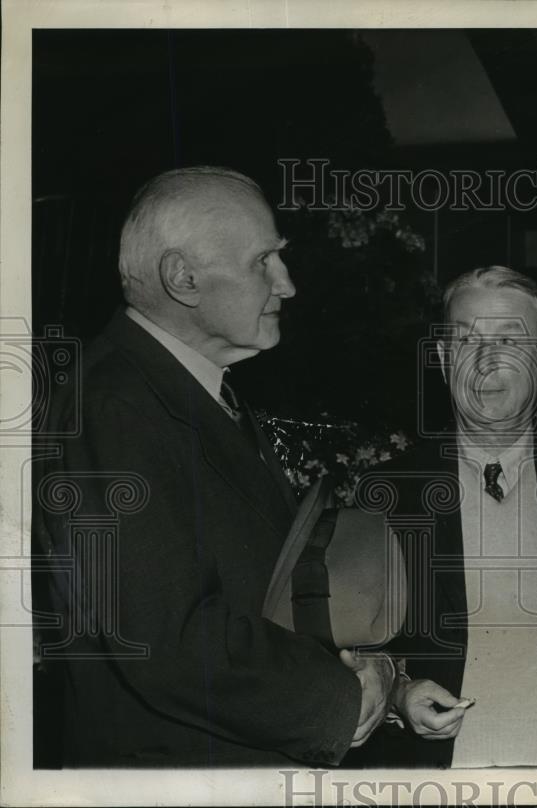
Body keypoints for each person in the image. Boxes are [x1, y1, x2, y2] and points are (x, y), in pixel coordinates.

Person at [33, 166, 393, 767]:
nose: (288, 285)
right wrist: (338, 696)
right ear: (183, 278)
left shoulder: (187, 391)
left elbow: (258, 591)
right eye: (264, 261)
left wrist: (379, 676)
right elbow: (166, 640)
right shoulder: (114, 405)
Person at [356, 267, 537, 768]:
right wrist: (398, 695)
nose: (485, 361)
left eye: (509, 340)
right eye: (464, 340)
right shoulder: (389, 496)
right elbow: (354, 649)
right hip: (440, 778)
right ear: (441, 359)